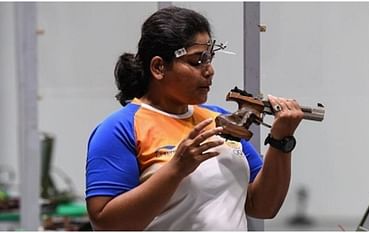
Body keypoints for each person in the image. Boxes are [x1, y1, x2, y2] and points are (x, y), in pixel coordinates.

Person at [85, 6, 304, 231]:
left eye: (209, 59)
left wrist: (281, 141)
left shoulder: (219, 119)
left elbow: (262, 206)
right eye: (196, 61)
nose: (209, 71)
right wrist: (178, 168)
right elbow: (106, 223)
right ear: (159, 67)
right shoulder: (120, 128)